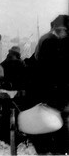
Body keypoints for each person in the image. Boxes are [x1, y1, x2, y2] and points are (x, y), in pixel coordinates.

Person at [26, 15, 69, 155]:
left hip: (50, 90)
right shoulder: (51, 41)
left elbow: (37, 63)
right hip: (56, 91)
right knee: (58, 124)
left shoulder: (47, 40)